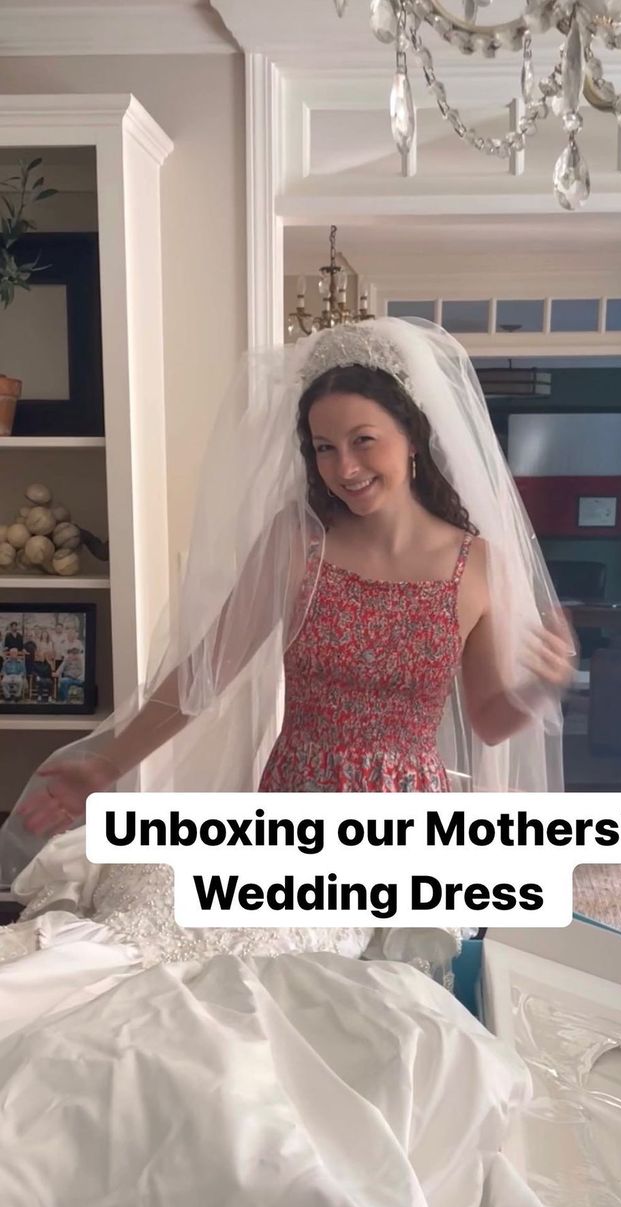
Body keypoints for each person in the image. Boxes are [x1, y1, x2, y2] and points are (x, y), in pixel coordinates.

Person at [1, 318, 575, 879]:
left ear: (414, 438)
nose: (344, 468)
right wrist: (108, 763)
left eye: (364, 441)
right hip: (295, 804)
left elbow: (488, 722)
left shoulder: (475, 565)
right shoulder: (297, 542)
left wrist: (538, 688)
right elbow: (207, 670)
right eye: (325, 448)